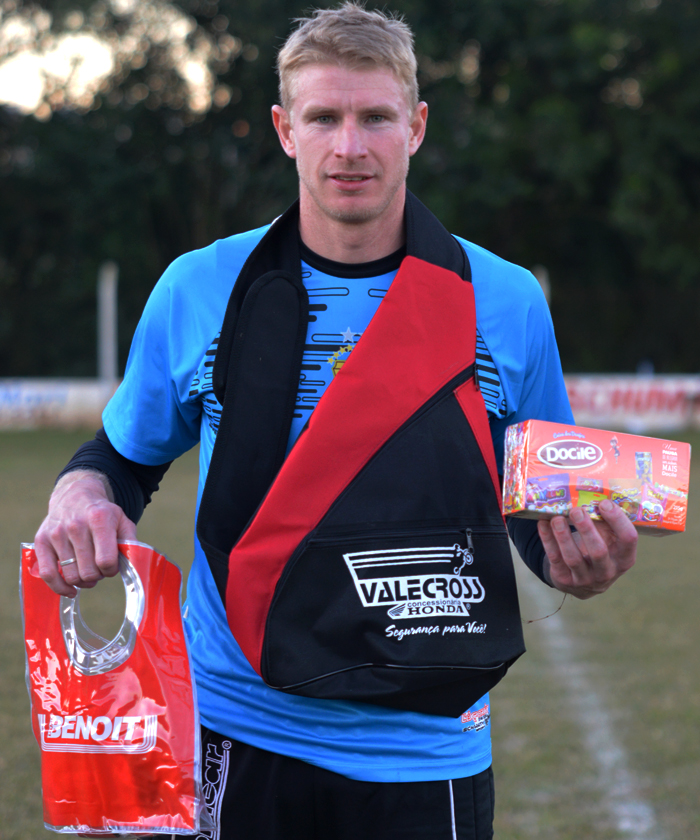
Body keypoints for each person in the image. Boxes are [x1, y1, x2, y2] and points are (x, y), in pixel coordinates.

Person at [33, 4, 638, 838]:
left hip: (429, 750)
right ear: (284, 128)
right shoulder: (198, 286)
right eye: (324, 117)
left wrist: (579, 561)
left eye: (375, 118)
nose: (349, 146)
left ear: (416, 126)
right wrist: (79, 498)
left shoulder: (505, 301)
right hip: (237, 730)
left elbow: (536, 503)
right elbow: (121, 460)